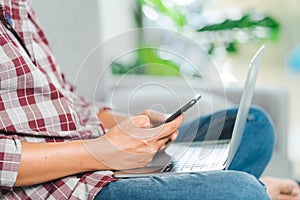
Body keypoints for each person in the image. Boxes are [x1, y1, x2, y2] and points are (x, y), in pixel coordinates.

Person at [0, 0, 299, 199]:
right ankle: (254, 191)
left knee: (254, 125)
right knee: (243, 191)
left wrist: (129, 127)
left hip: (98, 156)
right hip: (62, 185)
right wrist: (101, 152)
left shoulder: (16, 5)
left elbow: (66, 99)